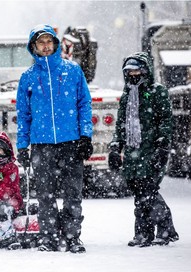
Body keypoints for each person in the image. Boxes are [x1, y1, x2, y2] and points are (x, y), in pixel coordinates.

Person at [16, 24, 93, 253]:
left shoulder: (73, 71)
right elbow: (24, 113)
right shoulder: (28, 78)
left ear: (56, 44)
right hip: (42, 144)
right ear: (34, 47)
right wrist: (22, 145)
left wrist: (85, 136)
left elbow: (84, 104)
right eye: (41, 42)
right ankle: (47, 238)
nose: (46, 46)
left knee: (72, 193)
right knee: (45, 195)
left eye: (49, 42)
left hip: (71, 141)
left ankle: (71, 236)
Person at [109, 51, 179, 247]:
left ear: (145, 70)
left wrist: (162, 146)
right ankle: (144, 233)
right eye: (129, 72)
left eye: (137, 70)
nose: (133, 75)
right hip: (133, 151)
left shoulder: (157, 92)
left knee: (148, 190)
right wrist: (115, 147)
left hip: (152, 149)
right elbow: (121, 125)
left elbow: (166, 120)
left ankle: (163, 230)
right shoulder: (126, 96)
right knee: (139, 191)